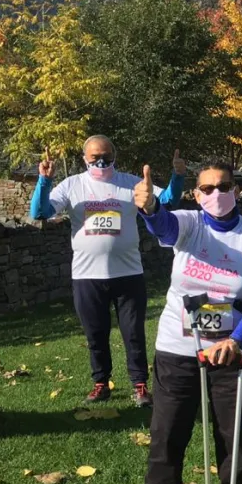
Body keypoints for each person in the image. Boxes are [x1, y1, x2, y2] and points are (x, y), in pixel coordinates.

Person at [134, 161, 242, 484]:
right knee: (168, 429)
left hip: (236, 349)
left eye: (224, 186)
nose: (216, 194)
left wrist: (237, 340)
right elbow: (164, 227)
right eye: (207, 188)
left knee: (233, 434)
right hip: (178, 345)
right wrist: (150, 208)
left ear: (236, 189)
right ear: (196, 194)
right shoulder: (189, 224)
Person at [30, 137, 186, 406]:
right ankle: (101, 383)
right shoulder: (72, 185)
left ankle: (139, 386)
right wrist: (44, 181)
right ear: (84, 158)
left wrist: (178, 175)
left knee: (133, 333)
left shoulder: (130, 183)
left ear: (115, 154)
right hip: (87, 276)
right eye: (94, 157)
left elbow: (168, 199)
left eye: (105, 155)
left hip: (128, 274)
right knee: (95, 334)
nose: (100, 161)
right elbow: (40, 212)